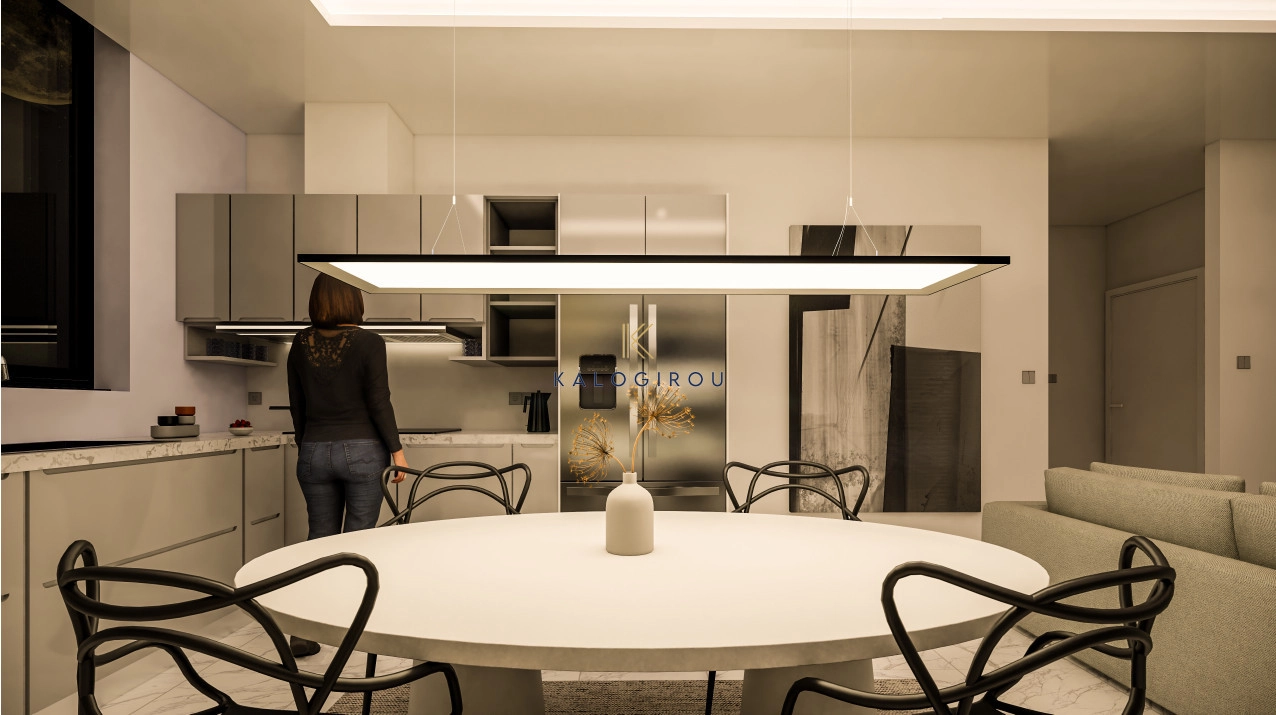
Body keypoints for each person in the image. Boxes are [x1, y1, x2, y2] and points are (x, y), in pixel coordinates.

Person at [285, 274, 409, 656]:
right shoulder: (370, 342)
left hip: (313, 450)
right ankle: (350, 624)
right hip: (363, 451)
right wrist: (398, 452)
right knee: (358, 542)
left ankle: (304, 630)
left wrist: (308, 446)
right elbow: (379, 400)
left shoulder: (299, 343)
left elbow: (296, 404)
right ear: (353, 300)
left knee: (319, 540)